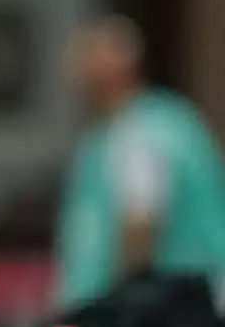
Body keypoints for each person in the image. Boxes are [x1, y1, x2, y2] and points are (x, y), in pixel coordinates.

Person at [57, 16, 225, 308]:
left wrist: (117, 312)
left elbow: (140, 228)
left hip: (171, 316)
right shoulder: (110, 133)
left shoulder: (144, 132)